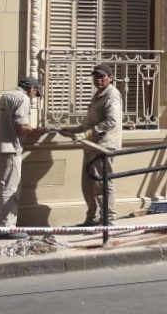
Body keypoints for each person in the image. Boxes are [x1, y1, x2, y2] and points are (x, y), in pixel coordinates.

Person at [0, 78, 47, 239]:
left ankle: (3, 226)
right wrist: (39, 131)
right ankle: (7, 228)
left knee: (4, 187)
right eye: (35, 93)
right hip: (10, 149)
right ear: (31, 88)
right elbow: (22, 127)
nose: (34, 97)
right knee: (10, 189)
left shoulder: (6, 95)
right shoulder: (23, 98)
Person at [61, 64, 123, 226]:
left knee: (101, 182)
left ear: (110, 78)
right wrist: (73, 130)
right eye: (96, 76)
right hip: (91, 145)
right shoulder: (98, 95)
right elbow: (90, 123)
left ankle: (107, 219)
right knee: (88, 184)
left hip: (103, 146)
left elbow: (111, 121)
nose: (98, 79)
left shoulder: (112, 95)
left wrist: (86, 134)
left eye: (102, 76)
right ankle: (92, 218)